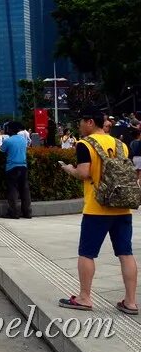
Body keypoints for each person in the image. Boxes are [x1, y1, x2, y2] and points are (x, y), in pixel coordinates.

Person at [58, 107, 138, 314]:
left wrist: (68, 169)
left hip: (97, 208)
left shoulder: (85, 144)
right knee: (126, 253)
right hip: (122, 207)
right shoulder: (121, 144)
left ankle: (85, 297)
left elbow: (84, 172)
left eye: (81, 122)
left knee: (87, 253)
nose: (79, 126)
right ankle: (130, 302)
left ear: (90, 122)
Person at [0, 121, 32, 219]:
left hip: (11, 168)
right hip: (23, 167)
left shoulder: (7, 141)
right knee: (25, 190)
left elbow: (1, 153)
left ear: (10, 130)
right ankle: (27, 212)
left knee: (13, 189)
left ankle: (14, 213)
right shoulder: (23, 140)